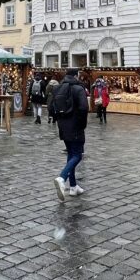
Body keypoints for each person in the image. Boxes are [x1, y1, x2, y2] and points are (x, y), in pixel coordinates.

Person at [52, 68, 89, 201]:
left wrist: (59, 120)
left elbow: (51, 107)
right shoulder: (79, 89)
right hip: (76, 126)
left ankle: (73, 187)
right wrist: (82, 124)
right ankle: (62, 178)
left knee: (71, 154)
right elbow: (84, 108)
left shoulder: (57, 88)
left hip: (63, 126)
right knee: (78, 155)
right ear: (76, 75)